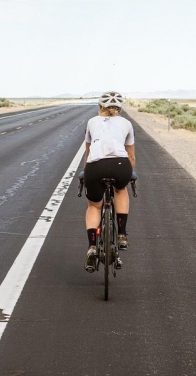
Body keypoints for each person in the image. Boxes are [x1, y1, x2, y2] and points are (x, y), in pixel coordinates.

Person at [81, 90, 136, 272]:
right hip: (121, 164)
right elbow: (131, 156)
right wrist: (130, 174)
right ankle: (121, 234)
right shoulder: (127, 123)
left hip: (95, 166)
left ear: (100, 106)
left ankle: (92, 247)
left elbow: (88, 152)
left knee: (94, 206)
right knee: (121, 190)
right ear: (120, 108)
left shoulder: (92, 122)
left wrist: (85, 172)